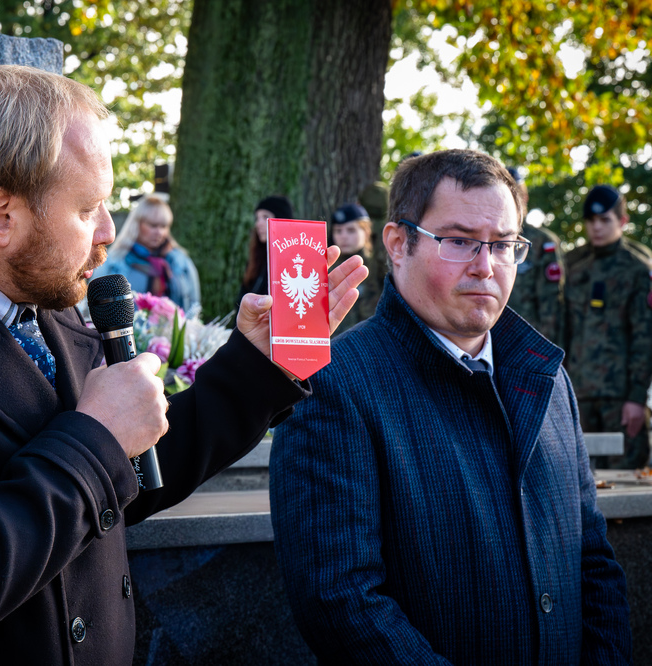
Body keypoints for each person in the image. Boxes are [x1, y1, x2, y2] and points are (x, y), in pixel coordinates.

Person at [0, 65, 368, 664]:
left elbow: (126, 486)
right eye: (89, 209)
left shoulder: (39, 298)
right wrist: (97, 438)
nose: (109, 232)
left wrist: (253, 369)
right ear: (1, 216)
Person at [271, 149, 631, 664]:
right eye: (460, 241)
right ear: (398, 244)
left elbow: (592, 561)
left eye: (504, 245)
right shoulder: (333, 384)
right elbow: (339, 599)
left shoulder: (549, 380)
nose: (486, 267)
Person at [564, 184, 652, 469]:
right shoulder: (572, 265)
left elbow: (645, 338)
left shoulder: (639, 269)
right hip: (577, 393)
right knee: (580, 485)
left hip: (621, 397)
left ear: (622, 221)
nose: (596, 228)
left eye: (605, 220)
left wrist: (638, 399)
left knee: (626, 483)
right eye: (591, 221)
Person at [90, 194, 200, 310]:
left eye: (164, 226)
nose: (159, 232)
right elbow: (97, 306)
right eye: (153, 225)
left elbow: (194, 306)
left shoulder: (180, 262)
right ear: (137, 224)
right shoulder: (114, 262)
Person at [504, 165, 565, 344]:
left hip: (527, 340)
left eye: (516, 195)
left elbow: (551, 304)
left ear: (525, 198)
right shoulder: (484, 238)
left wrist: (543, 347)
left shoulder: (542, 242)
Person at [331, 202, 381, 335]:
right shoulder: (326, 270)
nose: (343, 236)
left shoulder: (381, 268)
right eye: (338, 231)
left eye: (351, 230)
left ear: (366, 231)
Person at [238, 195, 294, 306]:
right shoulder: (256, 260)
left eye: (265, 217)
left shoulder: (292, 262)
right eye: (257, 218)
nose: (258, 224)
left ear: (280, 220)